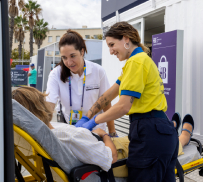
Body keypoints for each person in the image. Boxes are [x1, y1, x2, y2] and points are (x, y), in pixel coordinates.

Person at [75, 22, 182, 182]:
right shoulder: (137, 62)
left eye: (112, 45)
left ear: (126, 39)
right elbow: (108, 96)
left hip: (149, 133)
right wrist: (86, 116)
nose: (110, 51)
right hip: (161, 132)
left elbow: (124, 106)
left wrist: (93, 121)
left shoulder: (136, 62)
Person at [12, 86, 195, 176]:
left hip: (101, 146)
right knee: (163, 145)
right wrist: (104, 134)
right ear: (40, 108)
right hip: (119, 156)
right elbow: (110, 158)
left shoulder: (48, 137)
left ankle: (170, 130)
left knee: (155, 137)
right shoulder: (69, 136)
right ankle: (183, 137)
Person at [45, 30, 117, 135]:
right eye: (64, 58)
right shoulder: (56, 74)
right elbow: (50, 104)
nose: (69, 62)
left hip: (96, 130)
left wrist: (112, 131)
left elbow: (106, 102)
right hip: (69, 131)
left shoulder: (98, 71)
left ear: (82, 52)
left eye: (73, 56)